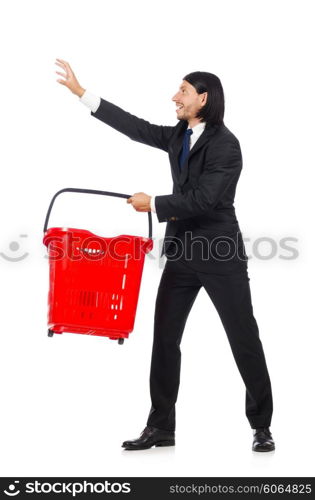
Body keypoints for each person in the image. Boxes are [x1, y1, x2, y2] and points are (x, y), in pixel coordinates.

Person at [55, 58, 275, 452]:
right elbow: (136, 128)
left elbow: (206, 200)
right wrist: (81, 93)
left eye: (184, 91)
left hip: (219, 253)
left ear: (203, 99)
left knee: (243, 338)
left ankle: (261, 425)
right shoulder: (178, 135)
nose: (175, 97)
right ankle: (161, 427)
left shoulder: (226, 145)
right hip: (182, 253)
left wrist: (154, 203)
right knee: (165, 339)